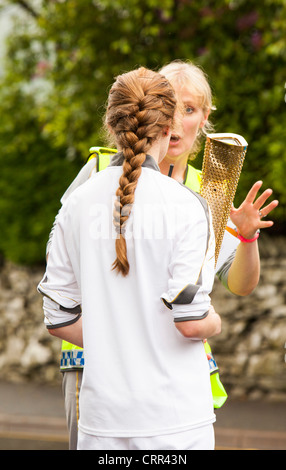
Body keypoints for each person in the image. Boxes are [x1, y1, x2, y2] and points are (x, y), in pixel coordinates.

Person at [46, 60, 279, 449]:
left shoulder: (209, 192)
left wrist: (248, 238)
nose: (175, 117)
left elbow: (238, 285)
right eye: (169, 105)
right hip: (95, 370)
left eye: (189, 108)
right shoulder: (100, 170)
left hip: (165, 383)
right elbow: (66, 261)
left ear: (204, 120)